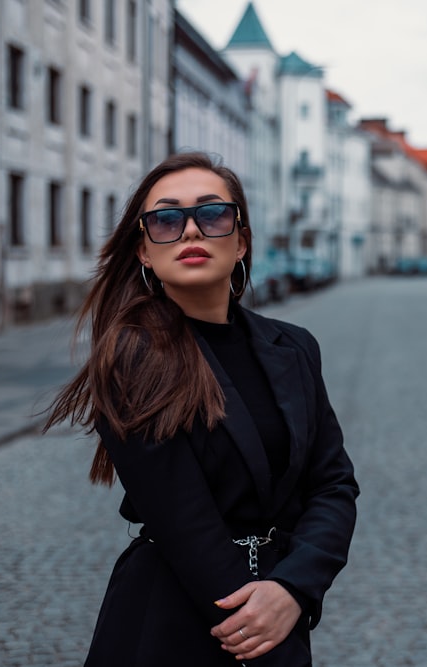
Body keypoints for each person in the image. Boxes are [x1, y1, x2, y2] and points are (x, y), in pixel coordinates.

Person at [44, 152, 359, 665]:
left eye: (211, 214)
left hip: (278, 605)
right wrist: (261, 630)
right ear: (144, 251)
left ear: (241, 241)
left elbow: (333, 485)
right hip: (171, 622)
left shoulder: (295, 347)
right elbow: (185, 523)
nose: (190, 230)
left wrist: (294, 589)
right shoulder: (131, 357)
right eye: (166, 219)